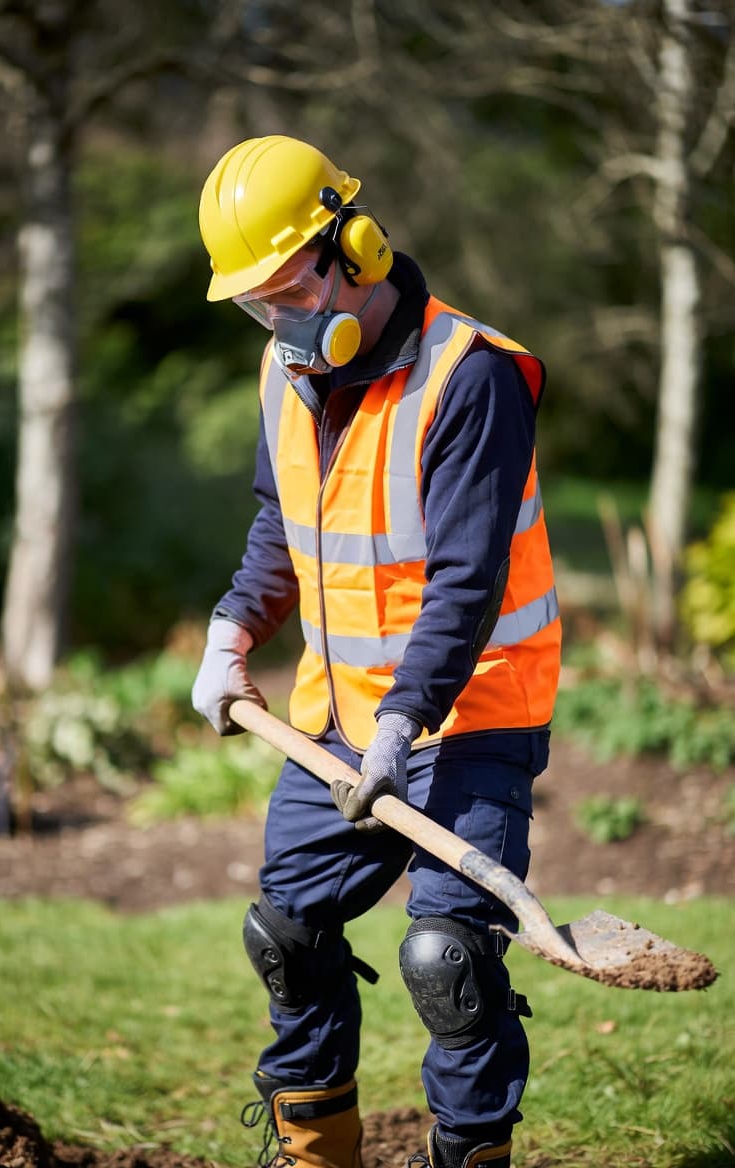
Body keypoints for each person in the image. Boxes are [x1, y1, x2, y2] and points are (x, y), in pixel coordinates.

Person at [191, 134, 561, 1168]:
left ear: (353, 247)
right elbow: (284, 527)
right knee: (287, 931)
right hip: (340, 714)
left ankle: (472, 1152)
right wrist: (231, 630)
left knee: (447, 959)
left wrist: (408, 718)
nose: (280, 321)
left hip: (473, 708)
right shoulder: (288, 370)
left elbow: (467, 579)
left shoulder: (469, 377)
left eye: (289, 290)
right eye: (257, 304)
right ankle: (316, 1148)